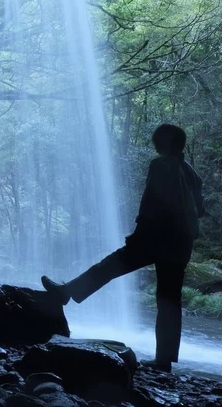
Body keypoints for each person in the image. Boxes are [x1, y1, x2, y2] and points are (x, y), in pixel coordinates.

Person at [41, 124, 205, 373]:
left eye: (158, 138)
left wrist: (139, 235)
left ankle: (66, 293)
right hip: (180, 244)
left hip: (157, 238)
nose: (154, 141)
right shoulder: (191, 173)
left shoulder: (161, 165)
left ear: (168, 142)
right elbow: (199, 211)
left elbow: (153, 202)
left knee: (109, 266)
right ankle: (164, 361)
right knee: (169, 300)